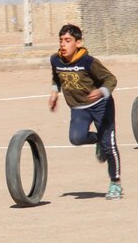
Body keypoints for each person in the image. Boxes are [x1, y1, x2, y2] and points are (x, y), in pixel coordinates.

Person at [48, 24, 122, 200]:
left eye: (68, 41)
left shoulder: (88, 62)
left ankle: (115, 183)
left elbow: (111, 79)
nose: (63, 45)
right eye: (61, 41)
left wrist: (101, 91)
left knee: (109, 145)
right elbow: (56, 76)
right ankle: (97, 140)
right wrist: (54, 92)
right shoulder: (55, 60)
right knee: (76, 138)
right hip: (79, 108)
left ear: (78, 43)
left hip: (101, 106)